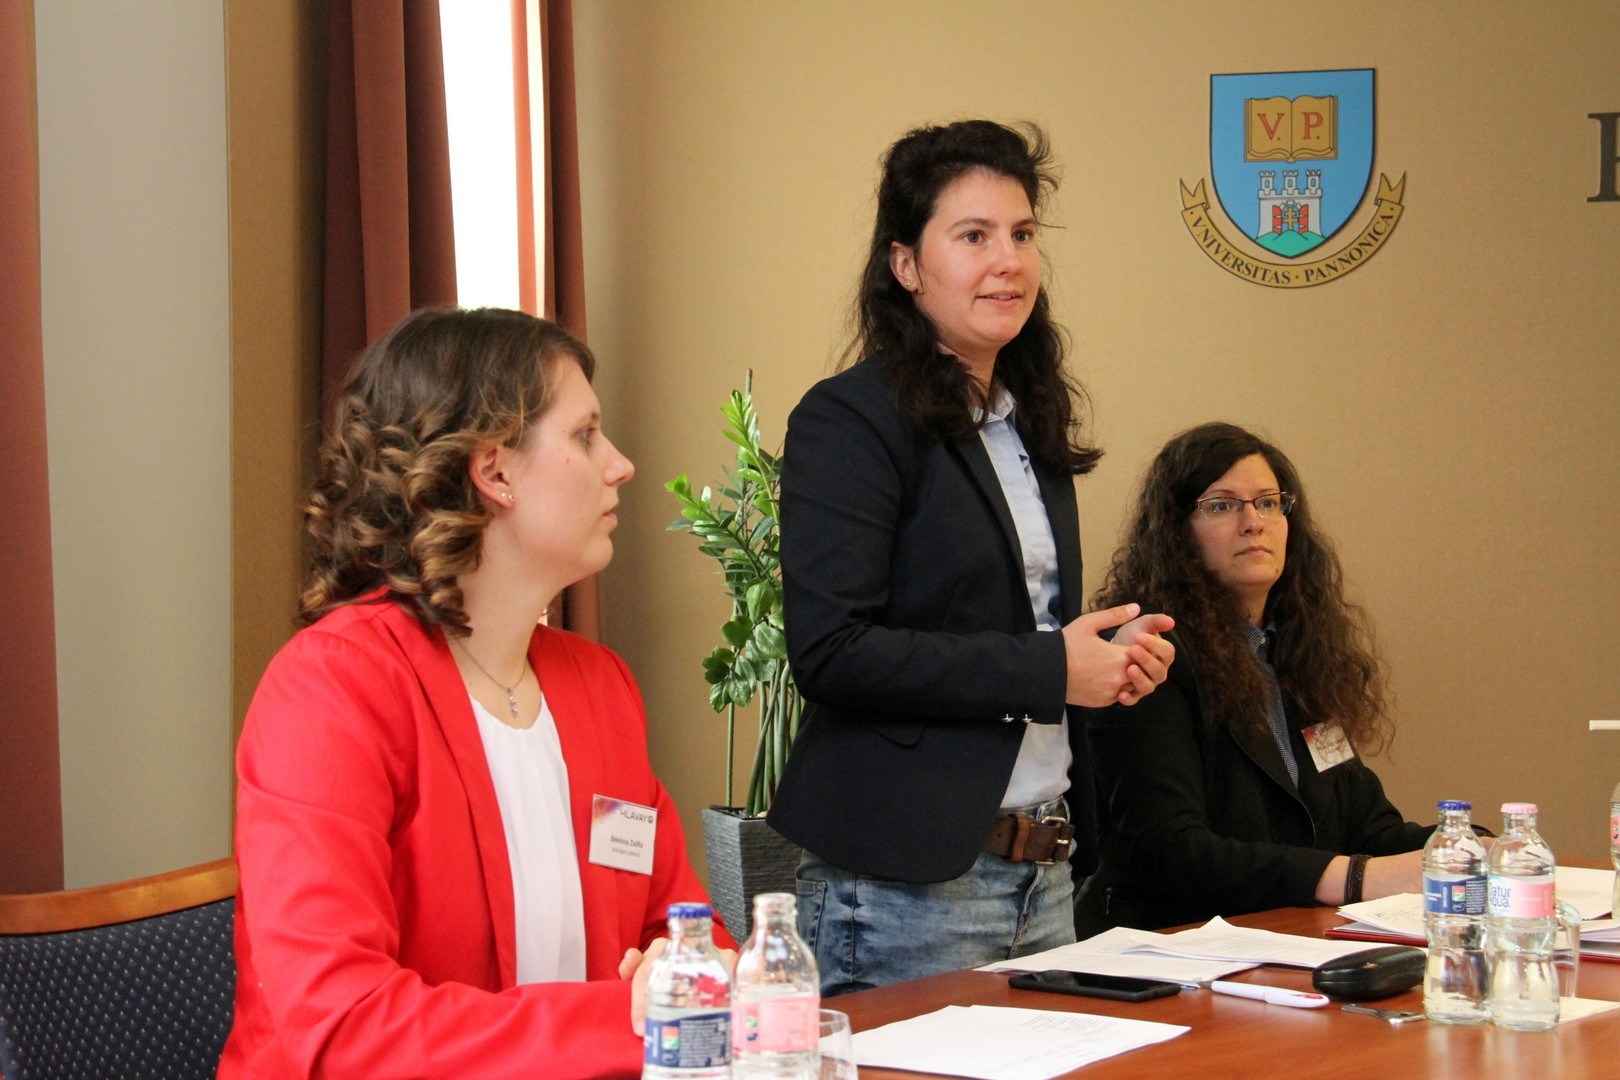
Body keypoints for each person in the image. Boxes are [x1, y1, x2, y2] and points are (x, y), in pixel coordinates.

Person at [220, 308, 732, 1078]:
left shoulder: (600, 688)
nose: (621, 464)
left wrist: (690, 972)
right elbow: (344, 1031)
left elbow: (689, 939)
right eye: (586, 435)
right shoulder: (330, 690)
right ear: (494, 473)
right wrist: (634, 1021)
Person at [765, 119, 1175, 995]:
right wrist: (1052, 667)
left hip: (1045, 871)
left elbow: (1011, 629)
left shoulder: (1026, 421)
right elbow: (832, 650)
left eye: (1022, 234)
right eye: (974, 236)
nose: (1008, 262)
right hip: (905, 891)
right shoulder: (849, 419)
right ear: (906, 265)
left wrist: (1107, 662)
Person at [1078, 421, 1434, 934]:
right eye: (1222, 506)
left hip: (1287, 937)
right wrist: (1356, 878)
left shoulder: (1298, 655)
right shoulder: (1149, 655)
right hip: (1172, 944)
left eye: (1268, 503)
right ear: (1177, 532)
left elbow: (1367, 826)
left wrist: (1462, 847)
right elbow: (1171, 852)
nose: (1253, 523)